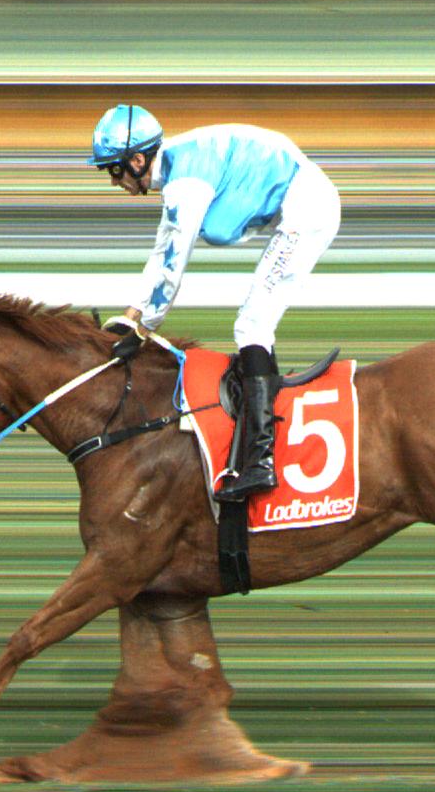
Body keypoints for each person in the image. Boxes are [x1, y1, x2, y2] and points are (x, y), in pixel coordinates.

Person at [90, 103, 339, 501]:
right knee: (251, 321)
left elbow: (174, 264)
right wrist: (130, 316)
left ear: (136, 161)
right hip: (301, 200)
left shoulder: (184, 184)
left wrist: (144, 328)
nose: (113, 181)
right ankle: (262, 436)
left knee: (252, 324)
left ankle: (261, 459)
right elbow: (162, 251)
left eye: (114, 170)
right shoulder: (176, 172)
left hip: (308, 210)